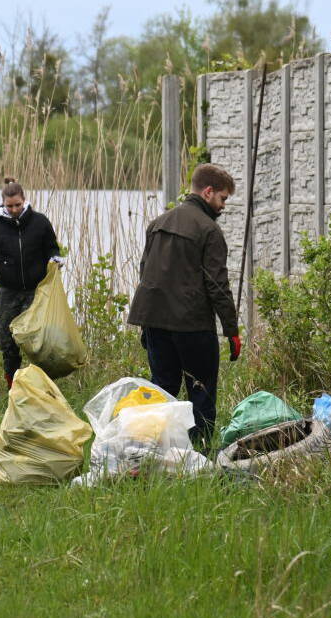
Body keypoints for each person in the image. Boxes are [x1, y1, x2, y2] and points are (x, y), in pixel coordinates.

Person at [128, 164, 242, 445]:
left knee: (162, 390)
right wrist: (232, 330)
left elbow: (146, 273)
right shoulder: (209, 231)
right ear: (208, 192)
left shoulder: (157, 224)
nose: (223, 206)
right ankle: (200, 454)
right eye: (223, 199)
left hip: (154, 322)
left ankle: (155, 450)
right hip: (192, 326)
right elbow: (218, 286)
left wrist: (147, 326)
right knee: (200, 393)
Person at [0, 178, 63, 390]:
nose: (14, 209)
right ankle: (13, 388)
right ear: (3, 204)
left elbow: (52, 247)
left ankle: (43, 389)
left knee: (37, 341)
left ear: (24, 201)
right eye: (10, 206)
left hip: (35, 292)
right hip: (8, 292)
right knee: (6, 339)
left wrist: (55, 258)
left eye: (17, 205)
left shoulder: (40, 222)